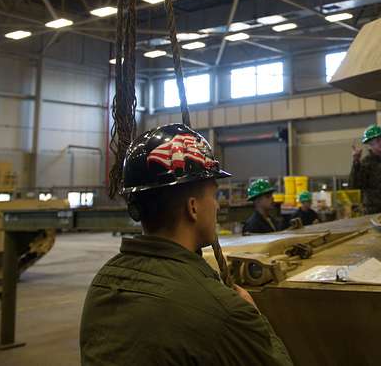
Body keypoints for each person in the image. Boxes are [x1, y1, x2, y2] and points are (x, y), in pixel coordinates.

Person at [79, 124, 292, 365]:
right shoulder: (223, 310)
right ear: (193, 207)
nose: (218, 206)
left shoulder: (102, 284)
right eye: (214, 196)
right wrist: (254, 316)